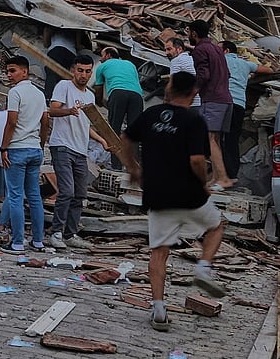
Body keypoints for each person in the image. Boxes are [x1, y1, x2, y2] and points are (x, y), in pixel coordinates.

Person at [121, 71, 227, 331]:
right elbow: (197, 160)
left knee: (159, 252)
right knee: (215, 228)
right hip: (190, 194)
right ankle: (203, 268)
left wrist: (133, 169)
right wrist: (203, 181)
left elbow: (125, 139)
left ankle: (159, 310)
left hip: (158, 194)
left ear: (169, 90)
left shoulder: (150, 115)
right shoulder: (195, 120)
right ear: (194, 93)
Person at [47, 54, 109, 251]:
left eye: (87, 71)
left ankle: (70, 234)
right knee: (66, 191)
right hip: (62, 146)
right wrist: (69, 111)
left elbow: (85, 125)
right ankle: (56, 233)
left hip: (80, 150)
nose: (83, 75)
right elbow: (52, 110)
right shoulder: (64, 86)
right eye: (80, 70)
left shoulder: (89, 96)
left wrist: (100, 139)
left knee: (80, 194)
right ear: (74, 70)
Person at [0, 56, 50, 253]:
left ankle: (17, 242)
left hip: (17, 149)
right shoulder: (39, 94)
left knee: (15, 196)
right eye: (8, 71)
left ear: (24, 71)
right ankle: (38, 241)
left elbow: (11, 122)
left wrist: (4, 148)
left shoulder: (15, 93)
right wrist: (41, 144)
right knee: (35, 197)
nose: (9, 75)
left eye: (13, 71)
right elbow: (45, 123)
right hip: (35, 149)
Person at [187, 20, 233, 189]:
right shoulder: (217, 49)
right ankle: (215, 178)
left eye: (189, 32)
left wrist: (192, 93)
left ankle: (223, 179)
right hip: (227, 99)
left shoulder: (200, 50)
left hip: (213, 100)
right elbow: (227, 73)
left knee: (210, 140)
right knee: (216, 139)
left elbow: (203, 75)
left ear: (193, 33)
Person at [221, 41, 274, 182]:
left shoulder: (219, 60)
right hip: (239, 104)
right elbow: (269, 70)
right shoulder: (244, 64)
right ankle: (233, 174)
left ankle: (221, 174)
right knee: (232, 139)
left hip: (224, 103)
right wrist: (248, 76)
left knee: (218, 139)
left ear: (225, 51)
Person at [92, 46, 144, 168]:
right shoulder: (130, 64)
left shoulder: (102, 67)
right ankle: (134, 167)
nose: (100, 59)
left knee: (113, 131)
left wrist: (99, 102)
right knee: (135, 132)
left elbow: (98, 88)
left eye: (102, 55)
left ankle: (116, 165)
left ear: (109, 55)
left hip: (118, 94)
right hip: (137, 96)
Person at [164, 38, 201, 108]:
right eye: (165, 50)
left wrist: (165, 103)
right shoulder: (191, 58)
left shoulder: (176, 61)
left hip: (188, 104)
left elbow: (172, 83)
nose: (166, 53)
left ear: (179, 49)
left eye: (169, 49)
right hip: (199, 102)